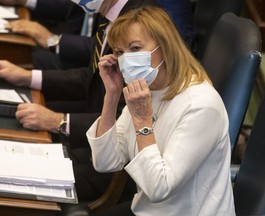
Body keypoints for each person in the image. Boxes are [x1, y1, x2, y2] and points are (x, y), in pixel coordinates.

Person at [0, 0, 158, 202]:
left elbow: (128, 117)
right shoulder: (109, 15)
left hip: (118, 165)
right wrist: (28, 77)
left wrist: (60, 121)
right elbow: (92, 77)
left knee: (16, 178)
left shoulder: (139, 20)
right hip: (95, 137)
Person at [86, 5, 235, 215]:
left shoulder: (201, 105)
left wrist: (142, 121)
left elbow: (159, 188)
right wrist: (111, 96)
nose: (126, 58)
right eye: (119, 52)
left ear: (164, 47)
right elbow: (105, 162)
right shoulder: (146, 88)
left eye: (135, 48)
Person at [2, 0, 196, 70]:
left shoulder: (159, 6)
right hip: (95, 71)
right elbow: (72, 8)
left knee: (30, 57)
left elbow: (129, 50)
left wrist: (54, 41)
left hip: (120, 79)